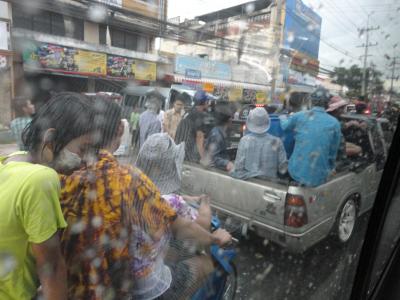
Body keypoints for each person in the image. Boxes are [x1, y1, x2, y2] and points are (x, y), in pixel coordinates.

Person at [60, 97, 231, 299]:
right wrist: (214, 239)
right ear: (120, 130)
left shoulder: (63, 175)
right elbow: (181, 227)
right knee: (206, 263)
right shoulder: (127, 179)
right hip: (120, 289)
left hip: (72, 285)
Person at [0, 92, 95, 300]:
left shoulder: (8, 161)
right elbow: (51, 270)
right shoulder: (41, 179)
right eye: (82, 148)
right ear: (50, 140)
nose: (86, 161)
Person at [281, 87, 342, 187]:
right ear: (327, 103)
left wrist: (282, 116)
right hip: (320, 176)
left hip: (296, 172)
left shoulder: (299, 116)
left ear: (311, 101)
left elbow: (285, 127)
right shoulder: (335, 123)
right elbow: (332, 153)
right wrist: (328, 168)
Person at [232, 107, 287, 180]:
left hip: (250, 183)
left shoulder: (244, 141)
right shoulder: (277, 141)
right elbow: (283, 168)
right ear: (267, 121)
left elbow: (238, 168)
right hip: (270, 185)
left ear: (250, 121)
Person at [175, 90, 210, 162]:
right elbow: (199, 138)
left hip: (178, 152)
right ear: (205, 102)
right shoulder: (199, 116)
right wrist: (204, 158)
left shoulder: (188, 112)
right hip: (188, 156)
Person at [204, 104, 234, 172]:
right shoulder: (217, 135)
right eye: (231, 118)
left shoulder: (220, 131)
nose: (232, 120)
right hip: (213, 170)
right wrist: (227, 163)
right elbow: (212, 156)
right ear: (229, 120)